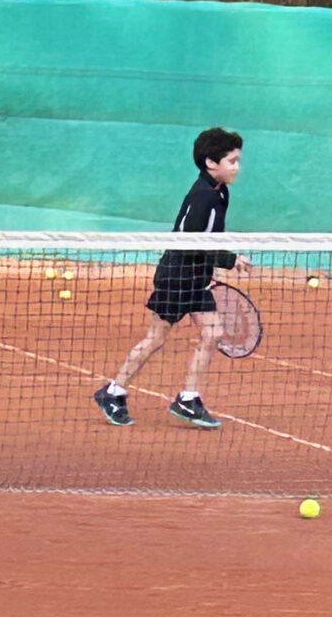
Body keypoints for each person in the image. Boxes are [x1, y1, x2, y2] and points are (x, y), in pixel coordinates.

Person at [93, 129, 248, 431]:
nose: (236, 167)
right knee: (156, 338)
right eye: (231, 161)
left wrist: (209, 271)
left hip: (196, 277)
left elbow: (209, 239)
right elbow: (191, 242)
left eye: (238, 160)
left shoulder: (220, 191)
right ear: (210, 163)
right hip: (176, 277)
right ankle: (113, 392)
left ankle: (188, 398)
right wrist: (229, 260)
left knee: (213, 334)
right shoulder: (203, 196)